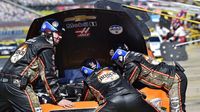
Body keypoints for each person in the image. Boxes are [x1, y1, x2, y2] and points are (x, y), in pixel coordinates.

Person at [0, 19, 74, 112]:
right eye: (57, 33)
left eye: (61, 34)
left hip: (2, 84)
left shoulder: (28, 42)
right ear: (47, 31)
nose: (60, 37)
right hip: (17, 85)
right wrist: (58, 98)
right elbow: (48, 75)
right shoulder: (45, 46)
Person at [110, 47, 187, 112]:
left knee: (177, 109)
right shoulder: (134, 56)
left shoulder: (131, 63)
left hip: (175, 80)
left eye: (116, 62)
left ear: (119, 59)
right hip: (172, 77)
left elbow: (127, 84)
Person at [80, 58, 159, 112]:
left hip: (113, 103)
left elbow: (85, 100)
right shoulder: (113, 69)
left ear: (84, 71)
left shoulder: (89, 80)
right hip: (135, 97)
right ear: (98, 64)